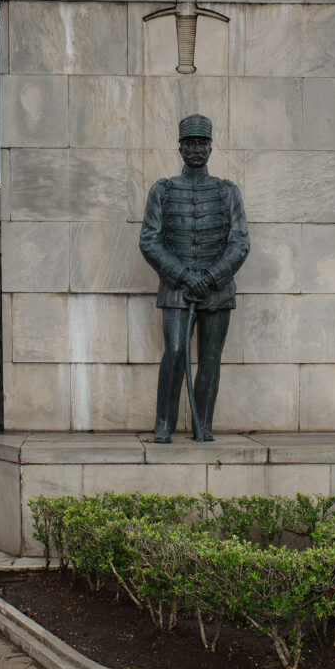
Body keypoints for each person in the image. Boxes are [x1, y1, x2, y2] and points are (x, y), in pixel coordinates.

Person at [139, 114, 250, 443]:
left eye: (202, 143)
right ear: (181, 148)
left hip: (217, 291)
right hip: (177, 290)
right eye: (190, 143)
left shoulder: (228, 192)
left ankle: (203, 424)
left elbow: (240, 241)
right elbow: (149, 240)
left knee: (211, 360)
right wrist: (184, 274)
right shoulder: (162, 190)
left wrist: (213, 276)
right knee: (174, 352)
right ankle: (164, 424)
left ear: (211, 148)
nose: (196, 149)